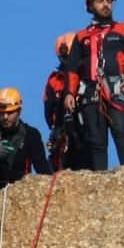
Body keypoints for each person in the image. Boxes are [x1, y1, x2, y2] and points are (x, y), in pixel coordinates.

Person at [62, 0, 124, 170]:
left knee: (120, 128)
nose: (105, 5)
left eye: (109, 1)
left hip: (117, 87)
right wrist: (69, 93)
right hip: (90, 90)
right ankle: (100, 179)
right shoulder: (81, 36)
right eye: (100, 1)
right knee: (96, 139)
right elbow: (71, 69)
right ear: (90, 6)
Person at [43, 34, 91, 171]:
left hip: (85, 130)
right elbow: (48, 110)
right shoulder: (54, 80)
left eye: (70, 56)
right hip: (63, 135)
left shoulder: (88, 76)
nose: (67, 60)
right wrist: (56, 128)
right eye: (64, 57)